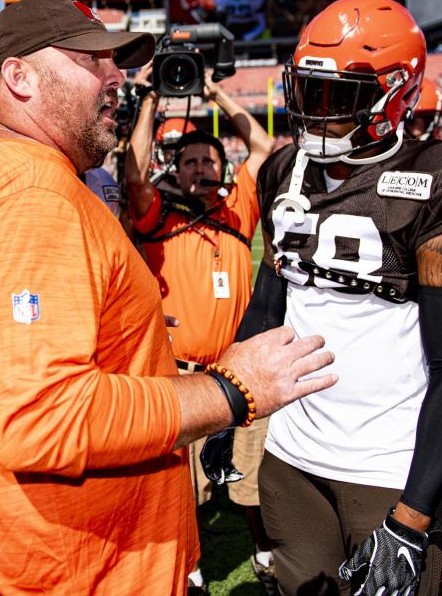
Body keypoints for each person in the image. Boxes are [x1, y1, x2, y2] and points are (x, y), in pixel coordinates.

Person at [0, 0, 338, 595]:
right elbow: (39, 418)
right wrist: (230, 388)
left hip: (33, 552)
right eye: (93, 60)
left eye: (116, 61)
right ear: (19, 76)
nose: (117, 78)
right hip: (69, 567)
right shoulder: (33, 194)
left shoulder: (3, 176)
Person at [239, 0, 442, 596]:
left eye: (338, 97)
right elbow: (270, 296)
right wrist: (234, 407)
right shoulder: (284, 171)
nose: (315, 114)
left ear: (394, 96)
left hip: (387, 464)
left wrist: (414, 515)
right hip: (292, 455)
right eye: (307, 91)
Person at [124, 57, 278, 593]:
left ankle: (263, 550)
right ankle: (188, 564)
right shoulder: (158, 214)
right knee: (182, 491)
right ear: (177, 169)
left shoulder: (239, 212)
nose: (200, 170)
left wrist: (214, 94)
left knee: (252, 482)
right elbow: (133, 174)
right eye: (189, 162)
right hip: (179, 376)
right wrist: (151, 100)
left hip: (240, 372)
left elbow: (263, 148)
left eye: (208, 161)